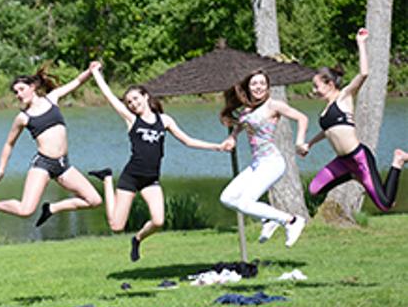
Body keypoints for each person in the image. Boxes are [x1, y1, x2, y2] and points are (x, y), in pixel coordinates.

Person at [87, 62, 230, 262]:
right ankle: (107, 179)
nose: (132, 104)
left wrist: (217, 146)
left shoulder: (165, 120)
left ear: (146, 96)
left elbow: (188, 141)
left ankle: (137, 239)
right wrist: (96, 73)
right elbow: (110, 98)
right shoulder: (131, 120)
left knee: (158, 221)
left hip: (151, 179)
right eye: (129, 102)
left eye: (135, 99)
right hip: (131, 177)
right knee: (116, 226)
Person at [300, 27, 406, 210]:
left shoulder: (344, 97)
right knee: (314, 189)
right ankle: (351, 175)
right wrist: (310, 144)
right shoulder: (325, 110)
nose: (314, 90)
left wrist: (361, 43)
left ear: (329, 84)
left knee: (385, 204)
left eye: (316, 86)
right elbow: (328, 131)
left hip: (359, 158)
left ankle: (398, 161)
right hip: (342, 162)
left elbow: (363, 74)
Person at [0, 66, 102, 228]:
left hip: (63, 164)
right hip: (43, 164)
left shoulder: (52, 99)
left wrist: (90, 71)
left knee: (94, 200)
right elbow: (9, 144)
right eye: (16, 92)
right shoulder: (23, 118)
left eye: (21, 89)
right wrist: (0, 172)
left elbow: (76, 81)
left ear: (33, 87)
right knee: (26, 210)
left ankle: (52, 208)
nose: (18, 95)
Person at [218, 70, 309, 246]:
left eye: (262, 83)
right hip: (257, 163)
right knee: (227, 198)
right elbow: (243, 124)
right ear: (248, 87)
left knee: (245, 202)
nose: (258, 87)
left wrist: (299, 142)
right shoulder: (247, 110)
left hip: (272, 163)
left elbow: (302, 118)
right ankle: (267, 219)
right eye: (254, 84)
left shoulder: (273, 105)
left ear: (268, 87)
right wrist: (232, 137)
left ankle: (292, 221)